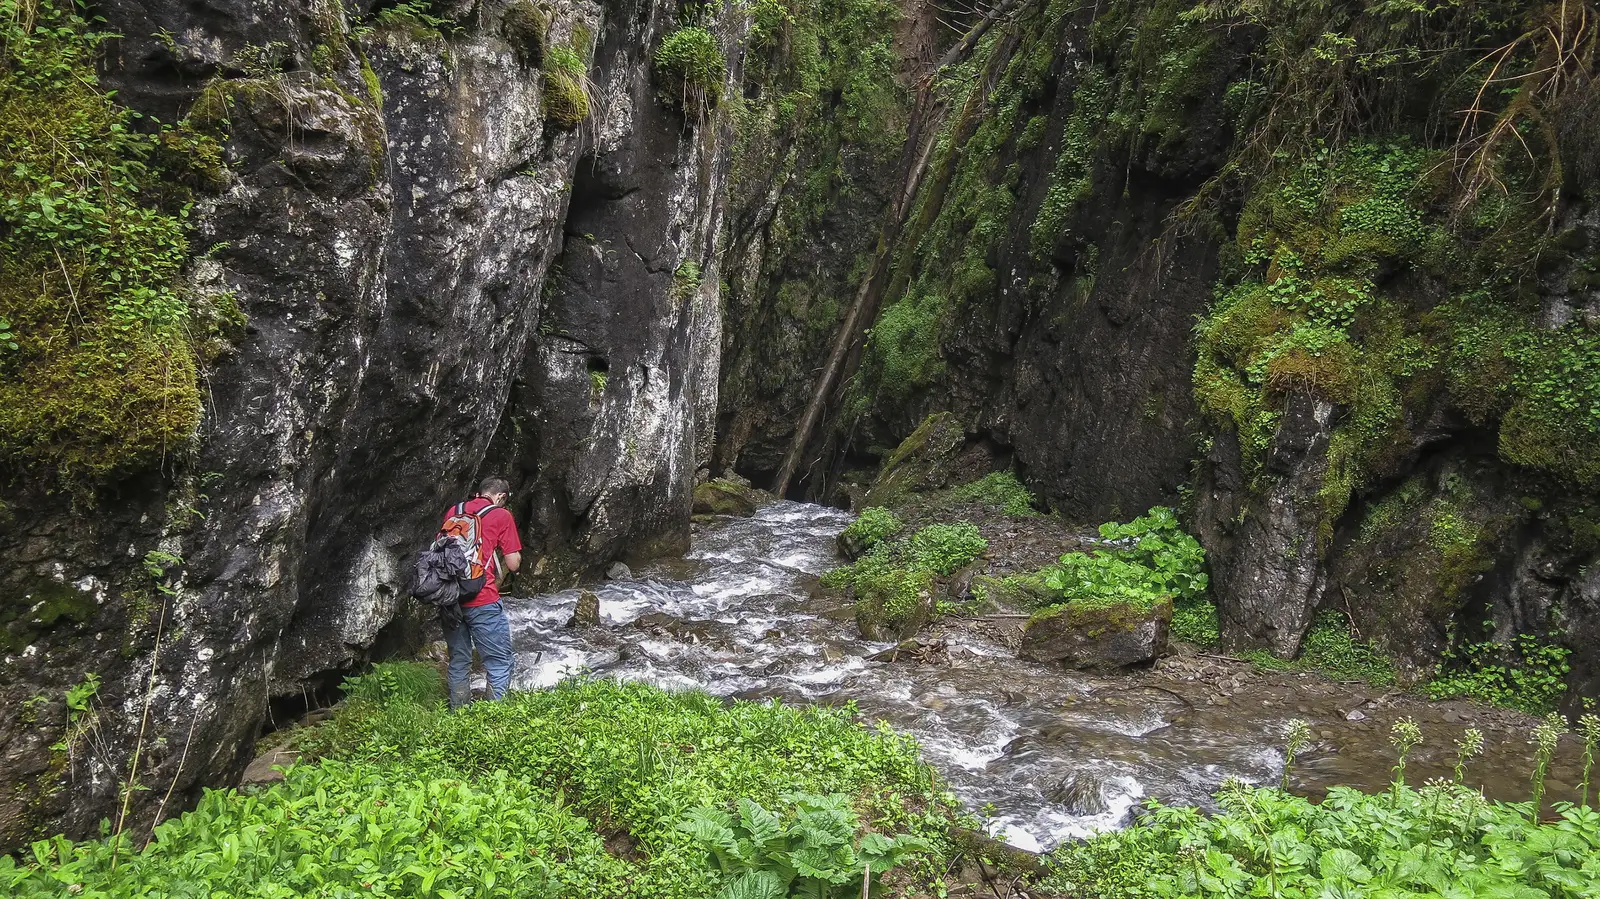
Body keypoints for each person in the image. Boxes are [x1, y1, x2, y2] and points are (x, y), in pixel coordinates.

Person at [441, 476, 522, 709]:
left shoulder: (454, 511)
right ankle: (493, 719)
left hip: (449, 597)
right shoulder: (501, 515)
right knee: (498, 662)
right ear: (501, 497)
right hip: (482, 598)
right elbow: (513, 563)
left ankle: (459, 716)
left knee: (459, 661)